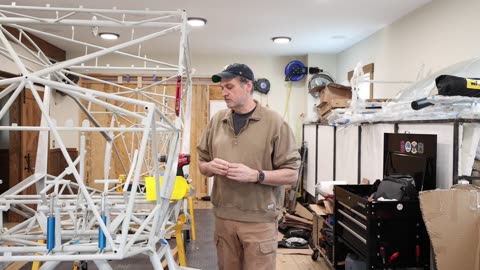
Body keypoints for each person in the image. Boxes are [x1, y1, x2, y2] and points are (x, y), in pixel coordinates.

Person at [197, 63, 300, 270]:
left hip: (259, 221)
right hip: (223, 219)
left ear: (248, 86)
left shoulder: (274, 122)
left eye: (230, 87)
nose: (224, 93)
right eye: (222, 88)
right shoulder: (218, 121)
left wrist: (256, 175)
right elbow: (202, 164)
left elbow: (291, 175)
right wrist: (210, 167)